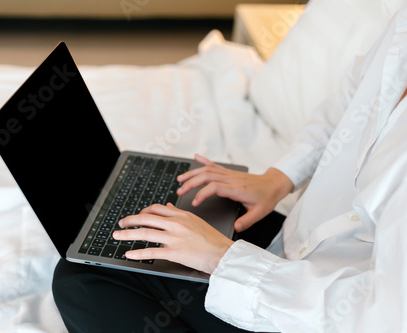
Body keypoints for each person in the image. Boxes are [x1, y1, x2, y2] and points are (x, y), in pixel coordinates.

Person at [53, 2, 407, 331]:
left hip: (314, 313)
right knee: (173, 203)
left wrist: (221, 259)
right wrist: (278, 178)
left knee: (80, 279)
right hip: (302, 247)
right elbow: (353, 98)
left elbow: (380, 317)